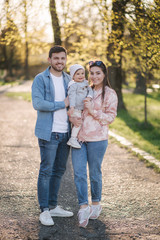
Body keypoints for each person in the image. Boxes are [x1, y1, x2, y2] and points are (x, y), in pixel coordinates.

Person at [70, 60, 118, 228]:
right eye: (92, 73)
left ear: (104, 74)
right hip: (79, 138)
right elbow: (75, 105)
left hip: (98, 140)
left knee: (95, 173)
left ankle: (96, 203)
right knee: (79, 173)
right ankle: (83, 207)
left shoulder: (110, 94)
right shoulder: (85, 89)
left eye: (98, 73)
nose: (94, 76)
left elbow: (110, 117)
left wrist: (92, 111)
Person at [32, 46, 74, 226]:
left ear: (66, 60)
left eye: (62, 59)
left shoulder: (69, 79)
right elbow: (38, 103)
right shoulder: (41, 79)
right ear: (49, 59)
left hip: (66, 133)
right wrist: (62, 103)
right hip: (49, 133)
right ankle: (44, 210)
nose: (59, 62)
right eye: (56, 58)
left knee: (59, 171)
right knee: (46, 170)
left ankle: (53, 205)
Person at [67, 64, 93, 148]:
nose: (81, 75)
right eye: (77, 74)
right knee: (78, 123)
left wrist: (89, 97)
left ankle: (78, 137)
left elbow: (90, 91)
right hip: (76, 109)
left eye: (82, 73)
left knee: (81, 123)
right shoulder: (73, 85)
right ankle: (72, 139)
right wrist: (72, 107)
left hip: (82, 109)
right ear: (73, 76)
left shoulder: (85, 83)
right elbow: (72, 97)